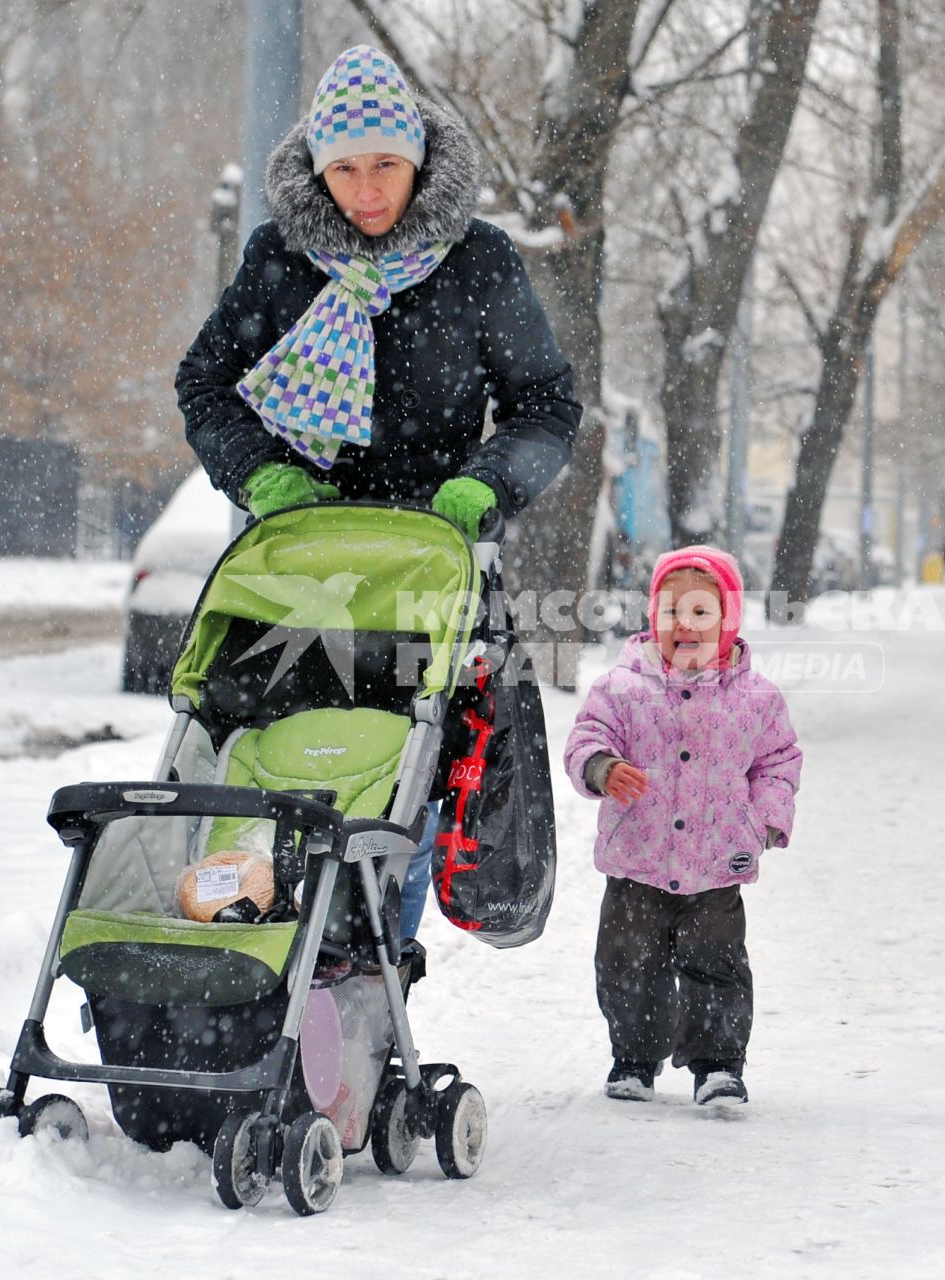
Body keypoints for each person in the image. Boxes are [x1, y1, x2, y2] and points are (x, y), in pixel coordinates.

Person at [176, 45, 582, 942]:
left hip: (430, 570)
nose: (367, 191)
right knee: (274, 766)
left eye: (386, 167)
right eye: (346, 169)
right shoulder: (282, 260)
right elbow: (204, 384)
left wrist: (485, 483)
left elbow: (547, 404)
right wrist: (261, 473)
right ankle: (254, 958)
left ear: (419, 162)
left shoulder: (475, 262)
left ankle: (371, 975)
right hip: (300, 568)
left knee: (404, 778)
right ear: (319, 171)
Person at [563, 546, 802, 1106]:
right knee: (627, 964)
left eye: (701, 612)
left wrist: (764, 820)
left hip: (717, 861)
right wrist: (602, 767)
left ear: (728, 621)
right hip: (637, 858)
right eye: (671, 612)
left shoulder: (756, 699)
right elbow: (586, 738)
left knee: (715, 965)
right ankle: (635, 1059)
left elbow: (778, 762)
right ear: (653, 620)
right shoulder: (621, 689)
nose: (684, 625)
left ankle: (717, 1065)